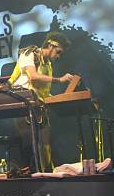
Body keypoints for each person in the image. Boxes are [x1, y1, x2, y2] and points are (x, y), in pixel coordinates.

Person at [8, 31, 74, 171]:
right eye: (58, 52)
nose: (58, 56)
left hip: (38, 106)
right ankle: (28, 176)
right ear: (50, 45)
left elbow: (43, 92)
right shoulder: (29, 54)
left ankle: (46, 173)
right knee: (29, 142)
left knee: (45, 144)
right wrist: (59, 79)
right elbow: (33, 76)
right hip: (22, 102)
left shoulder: (48, 65)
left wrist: (61, 99)